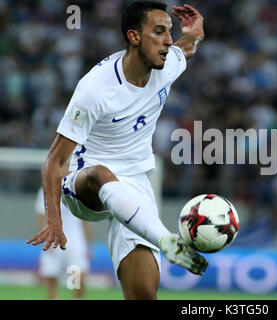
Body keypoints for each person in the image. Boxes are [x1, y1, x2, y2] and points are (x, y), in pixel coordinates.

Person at [27, 1, 208, 300]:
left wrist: (195, 34)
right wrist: (54, 220)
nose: (167, 41)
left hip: (135, 185)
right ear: (134, 36)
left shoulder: (167, 64)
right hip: (85, 183)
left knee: (143, 295)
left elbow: (185, 47)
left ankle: (156, 239)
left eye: (169, 32)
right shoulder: (95, 88)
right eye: (159, 32)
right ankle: (167, 240)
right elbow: (54, 161)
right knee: (101, 174)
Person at [35, 186, 92, 299]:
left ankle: (76, 298)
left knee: (78, 275)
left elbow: (85, 218)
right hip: (53, 238)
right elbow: (41, 215)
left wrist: (88, 244)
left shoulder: (77, 186)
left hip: (76, 239)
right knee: (51, 275)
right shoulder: (46, 189)